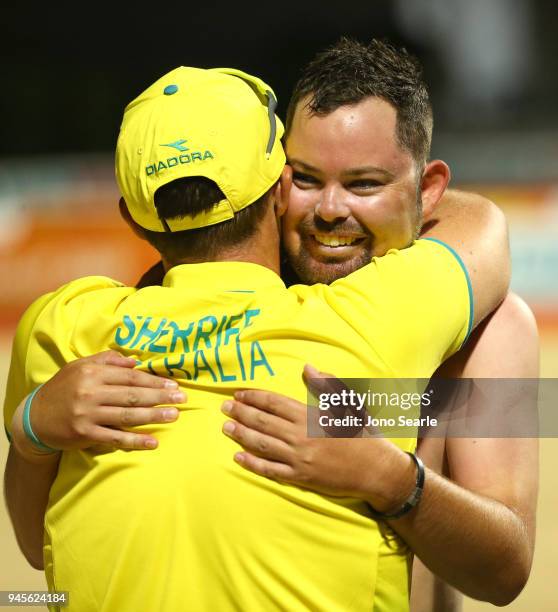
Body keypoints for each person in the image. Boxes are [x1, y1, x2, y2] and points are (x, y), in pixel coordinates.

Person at [4, 53, 509, 612]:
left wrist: (27, 432)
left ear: (130, 216)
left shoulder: (65, 322)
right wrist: (392, 465)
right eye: (308, 180)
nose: (330, 208)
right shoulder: (380, 313)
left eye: (364, 183)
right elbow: (486, 224)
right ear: (279, 188)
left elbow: (35, 551)